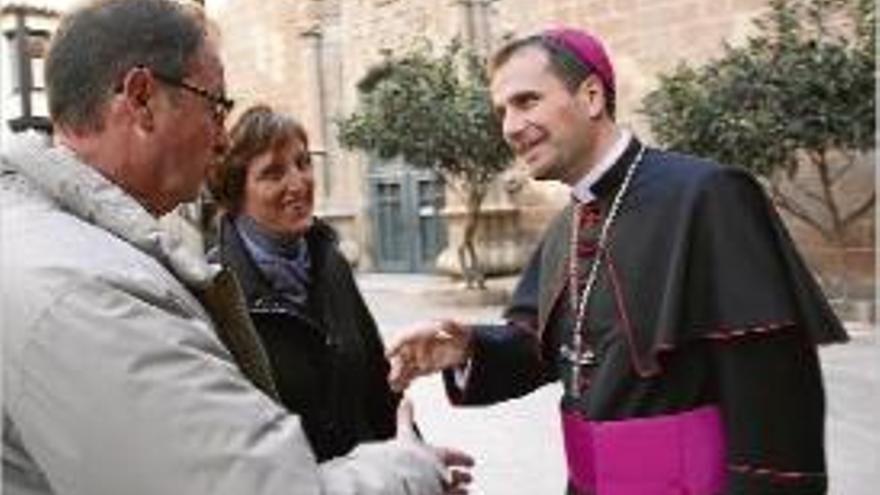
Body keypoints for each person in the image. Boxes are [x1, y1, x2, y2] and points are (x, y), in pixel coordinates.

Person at [0, 1, 472, 494]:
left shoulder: (325, 259)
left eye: (303, 163)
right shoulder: (89, 289)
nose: (222, 138)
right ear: (141, 100)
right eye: (215, 105)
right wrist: (409, 473)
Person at [386, 27, 848, 495]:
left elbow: (774, 391)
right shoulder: (567, 224)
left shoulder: (707, 196)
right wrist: (466, 348)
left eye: (526, 101)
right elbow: (544, 348)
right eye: (502, 111)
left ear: (590, 96)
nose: (508, 127)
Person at [207, 104, 405, 462]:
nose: (298, 184)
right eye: (273, 173)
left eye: (302, 163)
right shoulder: (216, 291)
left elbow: (377, 386)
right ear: (236, 194)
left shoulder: (331, 261)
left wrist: (414, 461)